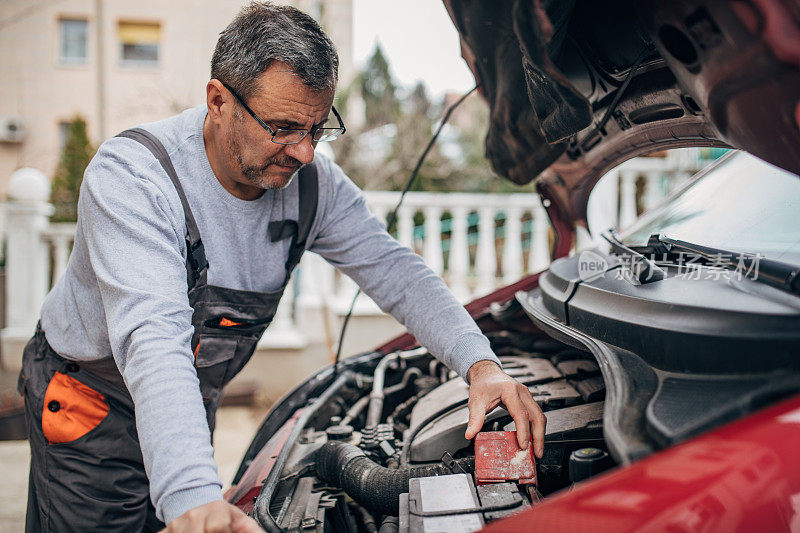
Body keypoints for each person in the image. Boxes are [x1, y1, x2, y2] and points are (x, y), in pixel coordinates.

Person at [18, 2, 546, 531]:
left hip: (186, 400)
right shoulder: (136, 179)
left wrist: (480, 364)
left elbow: (398, 273)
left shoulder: (313, 188)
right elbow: (153, 339)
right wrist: (192, 494)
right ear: (218, 100)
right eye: (283, 127)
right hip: (91, 404)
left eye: (318, 128)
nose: (305, 153)